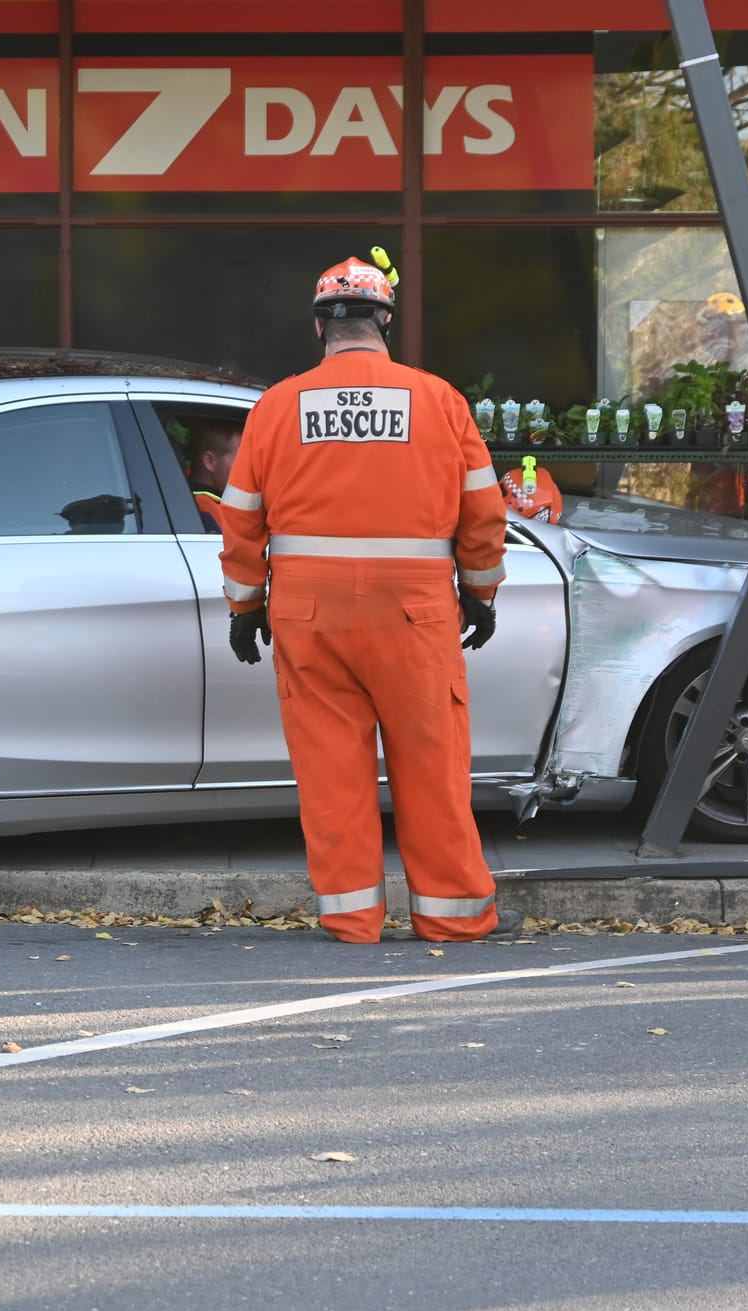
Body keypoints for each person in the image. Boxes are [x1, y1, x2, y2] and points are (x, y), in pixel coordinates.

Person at [218, 251, 515, 945]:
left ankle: (352, 917)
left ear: (321, 326)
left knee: (330, 769)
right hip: (414, 612)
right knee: (432, 764)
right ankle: (453, 915)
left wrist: (244, 608)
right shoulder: (439, 400)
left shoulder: (277, 405)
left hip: (307, 613)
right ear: (385, 319)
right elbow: (483, 514)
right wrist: (480, 593)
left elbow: (240, 516)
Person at [182, 418, 243, 533]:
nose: (249, 468)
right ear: (210, 461)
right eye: (241, 459)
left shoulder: (184, 493)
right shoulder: (206, 514)